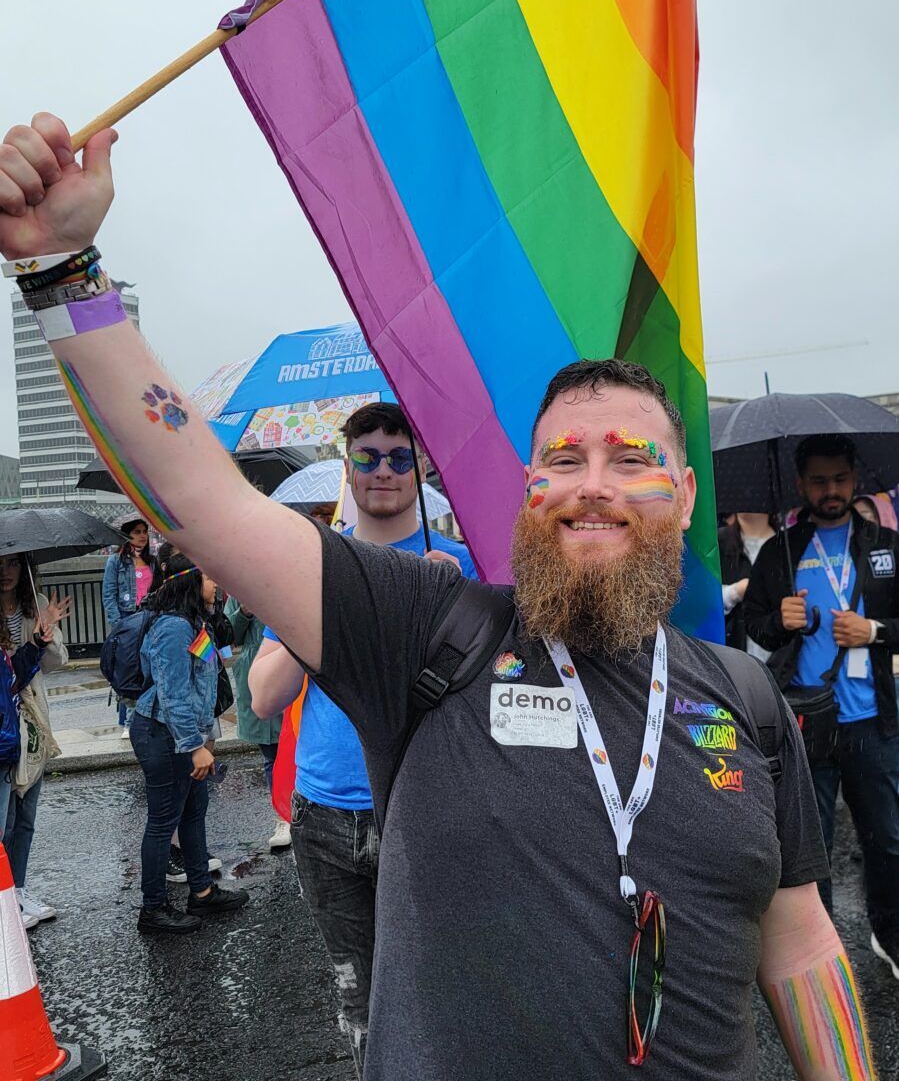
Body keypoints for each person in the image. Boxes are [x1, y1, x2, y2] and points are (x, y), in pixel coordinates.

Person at [0, 113, 879, 1078]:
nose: (592, 481)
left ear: (680, 498)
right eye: (561, 458)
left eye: (631, 460)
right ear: (528, 491)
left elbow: (797, 941)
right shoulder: (427, 630)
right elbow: (201, 499)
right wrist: (63, 269)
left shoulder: (743, 703)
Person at [256, 400, 476, 1076]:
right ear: (346, 467)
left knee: (440, 990)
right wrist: (318, 603)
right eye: (367, 458)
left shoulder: (459, 566)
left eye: (398, 457)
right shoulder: (312, 567)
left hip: (424, 807)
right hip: (323, 815)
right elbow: (266, 696)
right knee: (358, 998)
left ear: (420, 467)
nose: (382, 471)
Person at [745, 434, 899, 983]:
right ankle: (824, 954)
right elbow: (752, 626)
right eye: (818, 480)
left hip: (873, 722)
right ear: (800, 484)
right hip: (805, 724)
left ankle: (889, 935)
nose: (829, 490)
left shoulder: (885, 546)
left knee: (888, 838)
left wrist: (876, 630)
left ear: (853, 479)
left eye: (839, 479)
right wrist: (779, 621)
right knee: (813, 852)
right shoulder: (780, 552)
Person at [128, 547, 249, 933]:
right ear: (192, 582)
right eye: (211, 578)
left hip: (183, 735)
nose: (218, 585)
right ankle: (153, 908)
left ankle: (202, 893)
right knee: (163, 822)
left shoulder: (194, 621)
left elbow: (205, 677)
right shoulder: (173, 628)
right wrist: (194, 745)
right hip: (162, 735)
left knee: (194, 810)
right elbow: (172, 693)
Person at [0, 552, 69, 928]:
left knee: (26, 817)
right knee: (5, 819)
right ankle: (6, 895)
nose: (6, 572)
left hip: (33, 720)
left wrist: (46, 634)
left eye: (13, 564)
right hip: (3, 723)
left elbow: (57, 660)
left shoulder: (37, 605)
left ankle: (19, 890)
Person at [224, 595, 287, 849]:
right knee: (271, 754)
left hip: (292, 668)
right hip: (257, 673)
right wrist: (244, 612)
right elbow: (229, 635)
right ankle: (282, 815)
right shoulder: (239, 587)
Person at [102, 517, 156, 736]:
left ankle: (146, 715)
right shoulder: (116, 561)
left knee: (149, 666)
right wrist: (118, 626)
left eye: (144, 531)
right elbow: (109, 595)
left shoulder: (152, 561)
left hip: (150, 619)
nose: (142, 535)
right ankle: (126, 721)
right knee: (128, 669)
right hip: (128, 619)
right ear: (126, 535)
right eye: (136, 532)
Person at [718, 513, 775, 658]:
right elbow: (701, 601)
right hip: (732, 651)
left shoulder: (787, 543)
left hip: (777, 657)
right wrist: (735, 592)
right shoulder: (718, 541)